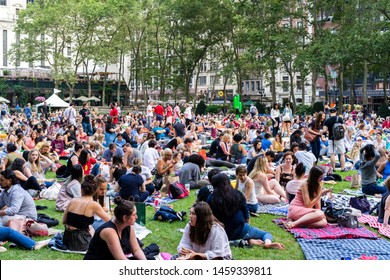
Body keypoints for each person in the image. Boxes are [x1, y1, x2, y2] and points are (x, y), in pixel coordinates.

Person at [207, 173, 285, 249]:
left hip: (221, 233)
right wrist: (247, 227)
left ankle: (247, 240)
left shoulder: (211, 198)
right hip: (240, 230)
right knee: (266, 234)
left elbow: (209, 217)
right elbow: (246, 213)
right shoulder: (237, 194)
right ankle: (267, 243)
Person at [62, 175, 111, 252]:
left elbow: (63, 221)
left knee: (91, 226)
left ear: (81, 189)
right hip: (81, 242)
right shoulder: (93, 204)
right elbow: (110, 221)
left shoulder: (72, 201)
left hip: (66, 240)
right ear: (95, 190)